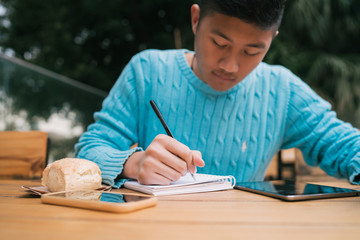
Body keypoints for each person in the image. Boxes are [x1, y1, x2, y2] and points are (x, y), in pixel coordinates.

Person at [75, 0, 360, 188]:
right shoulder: (147, 71)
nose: (230, 66)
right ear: (196, 19)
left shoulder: (282, 90)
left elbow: (345, 144)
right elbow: (89, 152)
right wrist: (133, 164)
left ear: (271, 40)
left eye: (252, 51)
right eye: (220, 43)